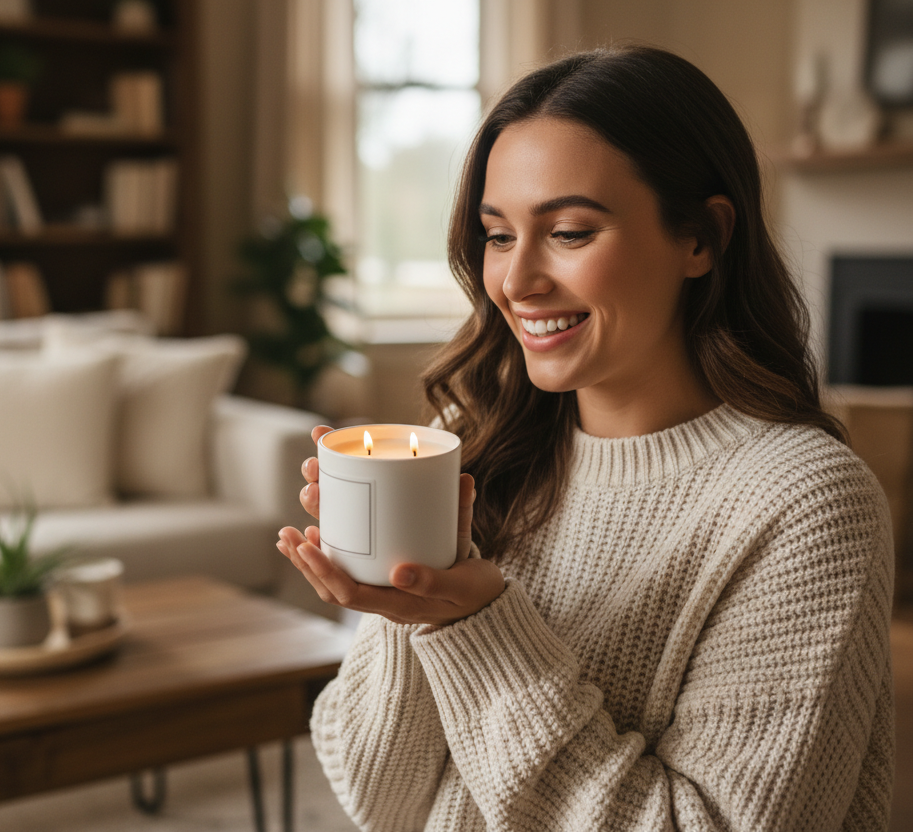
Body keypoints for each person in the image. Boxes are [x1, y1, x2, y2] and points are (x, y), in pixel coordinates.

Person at [276, 45, 893, 831]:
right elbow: (383, 801)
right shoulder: (475, 446)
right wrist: (412, 602)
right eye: (498, 236)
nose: (517, 280)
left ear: (701, 238)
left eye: (568, 232)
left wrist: (473, 623)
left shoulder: (805, 504)